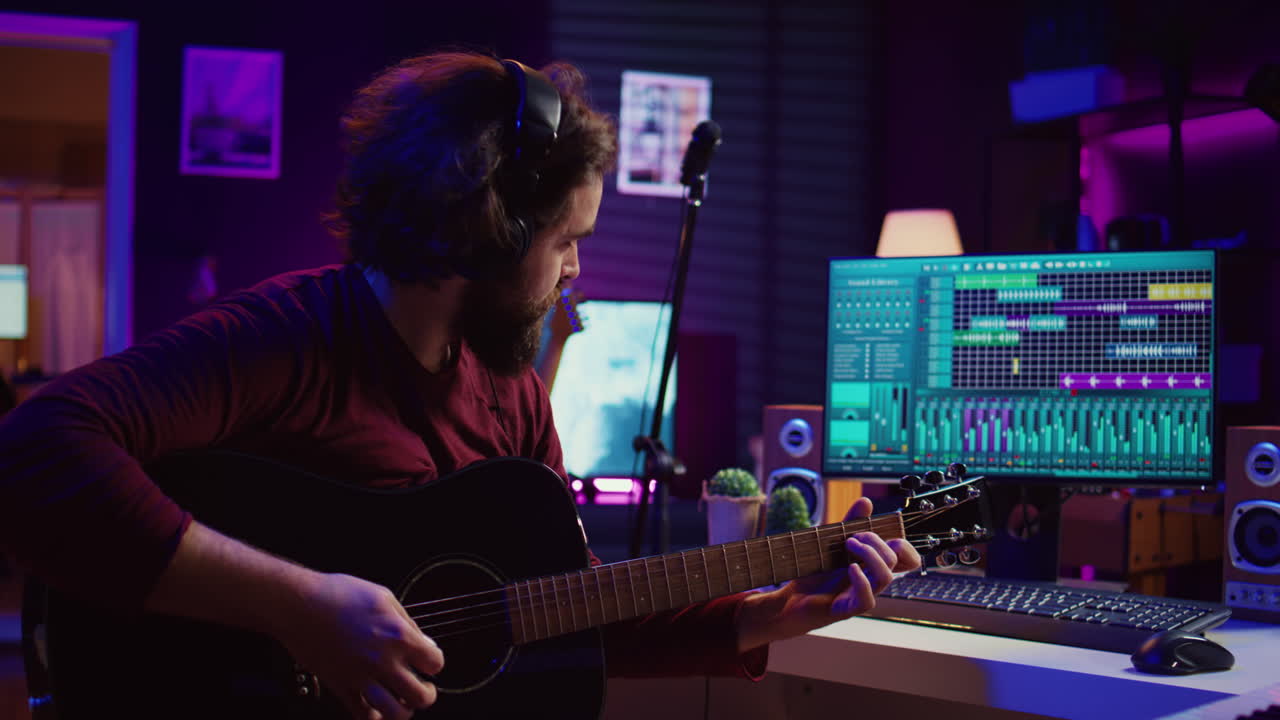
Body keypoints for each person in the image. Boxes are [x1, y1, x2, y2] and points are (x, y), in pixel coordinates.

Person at [0, 52, 919, 720]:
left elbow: (562, 608)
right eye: (565, 242)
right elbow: (36, 449)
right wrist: (299, 607)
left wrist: (774, 613)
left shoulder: (510, 389)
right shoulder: (286, 342)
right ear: (486, 228)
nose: (575, 274)